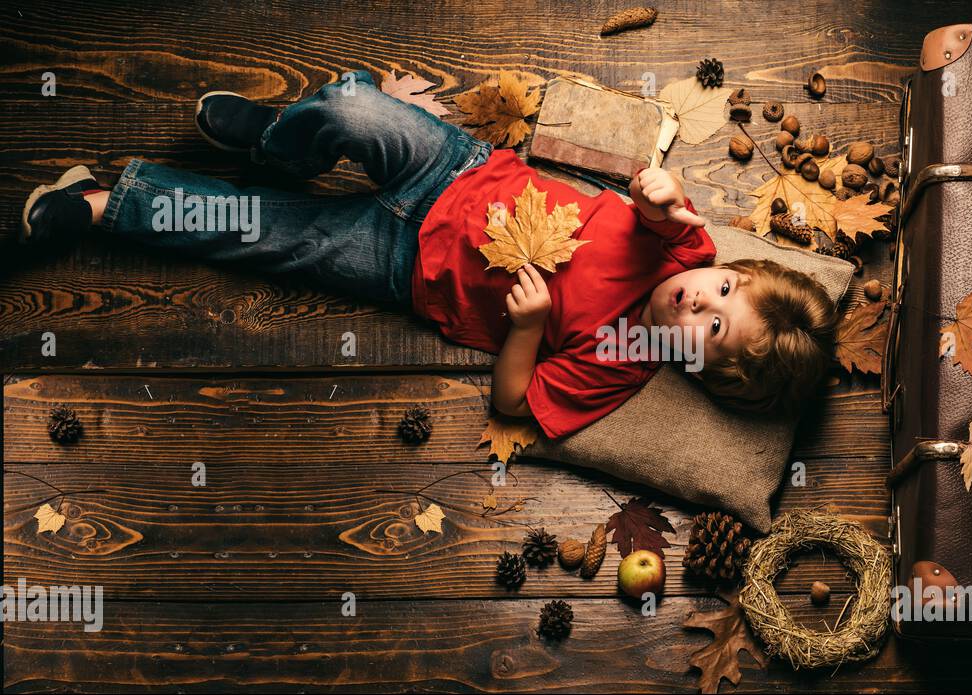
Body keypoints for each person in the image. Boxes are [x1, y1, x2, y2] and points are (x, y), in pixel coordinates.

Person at [20, 70, 837, 438]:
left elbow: (515, 403)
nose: (702, 301)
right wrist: (656, 196)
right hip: (455, 170)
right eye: (725, 288)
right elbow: (662, 209)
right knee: (350, 107)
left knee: (265, 235)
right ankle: (280, 138)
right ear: (727, 265)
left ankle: (103, 204)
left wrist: (529, 326)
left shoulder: (620, 361)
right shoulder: (684, 245)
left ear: (695, 367)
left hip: (406, 268)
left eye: (714, 330)